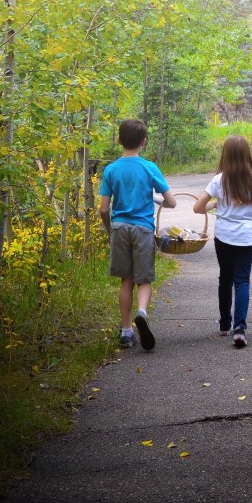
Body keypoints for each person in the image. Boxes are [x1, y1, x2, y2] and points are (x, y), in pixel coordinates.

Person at [99, 119, 176, 351]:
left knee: (126, 279)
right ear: (144, 142)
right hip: (143, 229)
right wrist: (157, 199)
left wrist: (109, 230)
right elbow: (171, 202)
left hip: (120, 228)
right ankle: (141, 312)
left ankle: (125, 332)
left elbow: (103, 209)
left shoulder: (111, 169)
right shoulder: (149, 167)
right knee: (144, 279)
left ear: (119, 140)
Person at [193, 135, 252, 348]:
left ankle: (225, 325)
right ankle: (240, 329)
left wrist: (215, 204)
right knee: (242, 281)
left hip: (224, 237)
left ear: (225, 154)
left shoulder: (219, 180)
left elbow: (197, 208)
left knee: (225, 278)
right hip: (246, 237)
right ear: (246, 154)